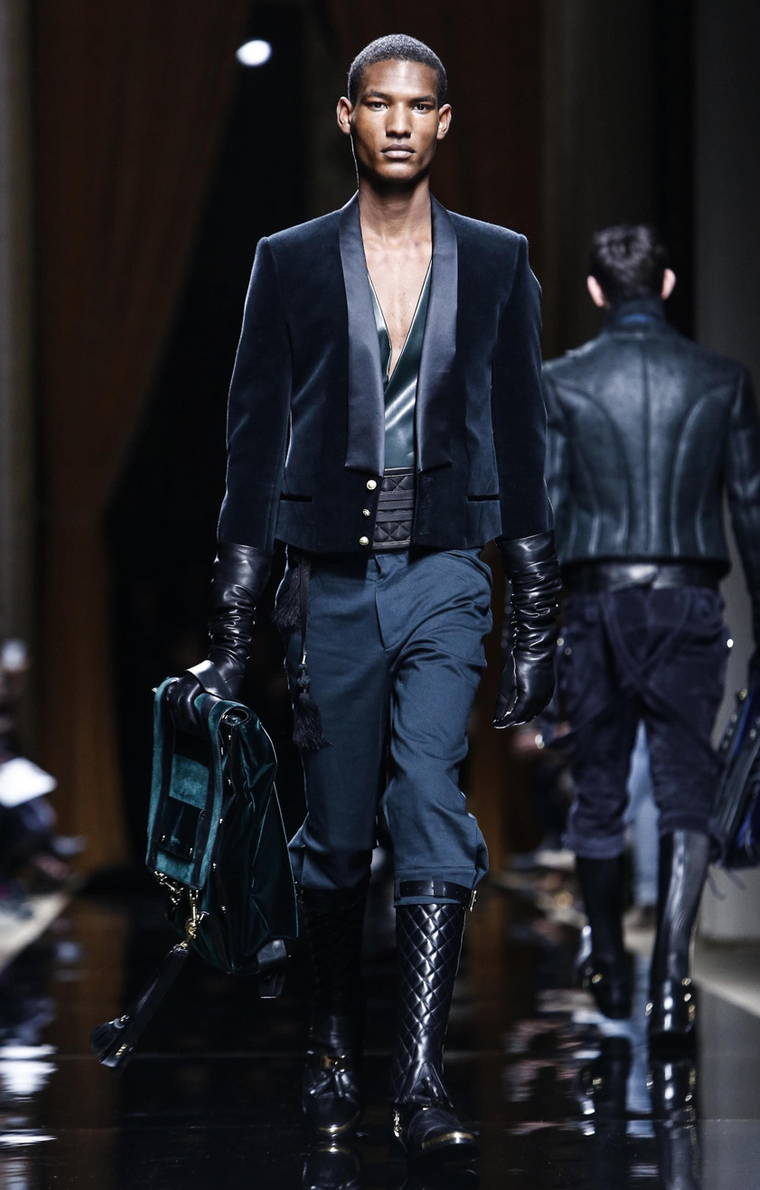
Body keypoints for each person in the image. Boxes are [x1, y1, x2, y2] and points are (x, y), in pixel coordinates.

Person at [166, 34, 560, 1164]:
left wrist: (535, 615)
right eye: (378, 104)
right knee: (337, 842)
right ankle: (333, 1040)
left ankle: (420, 1078)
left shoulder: (498, 262)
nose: (398, 122)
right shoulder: (288, 262)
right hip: (328, 586)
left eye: (418, 106)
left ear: (444, 122)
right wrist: (234, 631)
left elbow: (522, 441)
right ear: (346, 117)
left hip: (445, 575)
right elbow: (252, 448)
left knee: (429, 798)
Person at [544, 224, 760, 1045]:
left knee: (598, 794)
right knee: (686, 791)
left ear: (596, 292)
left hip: (596, 606)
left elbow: (544, 521)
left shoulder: (561, 383)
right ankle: (672, 984)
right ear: (667, 287)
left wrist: (533, 636)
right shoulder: (722, 382)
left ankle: (606, 954)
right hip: (686, 605)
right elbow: (752, 512)